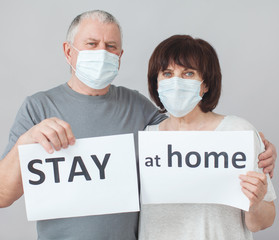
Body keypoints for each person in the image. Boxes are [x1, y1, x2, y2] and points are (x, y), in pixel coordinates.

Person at [0, 10, 276, 240]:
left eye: (110, 47)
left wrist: (255, 147)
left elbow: (187, 128)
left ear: (120, 56)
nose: (102, 52)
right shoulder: (38, 107)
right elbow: (2, 195)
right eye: (91, 44)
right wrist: (27, 141)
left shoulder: (140, 110)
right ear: (68, 52)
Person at [139, 35, 276, 240]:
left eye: (188, 73)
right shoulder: (145, 138)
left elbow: (264, 221)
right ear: (156, 83)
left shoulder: (237, 132)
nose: (176, 82)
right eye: (167, 73)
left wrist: (255, 206)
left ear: (205, 84)